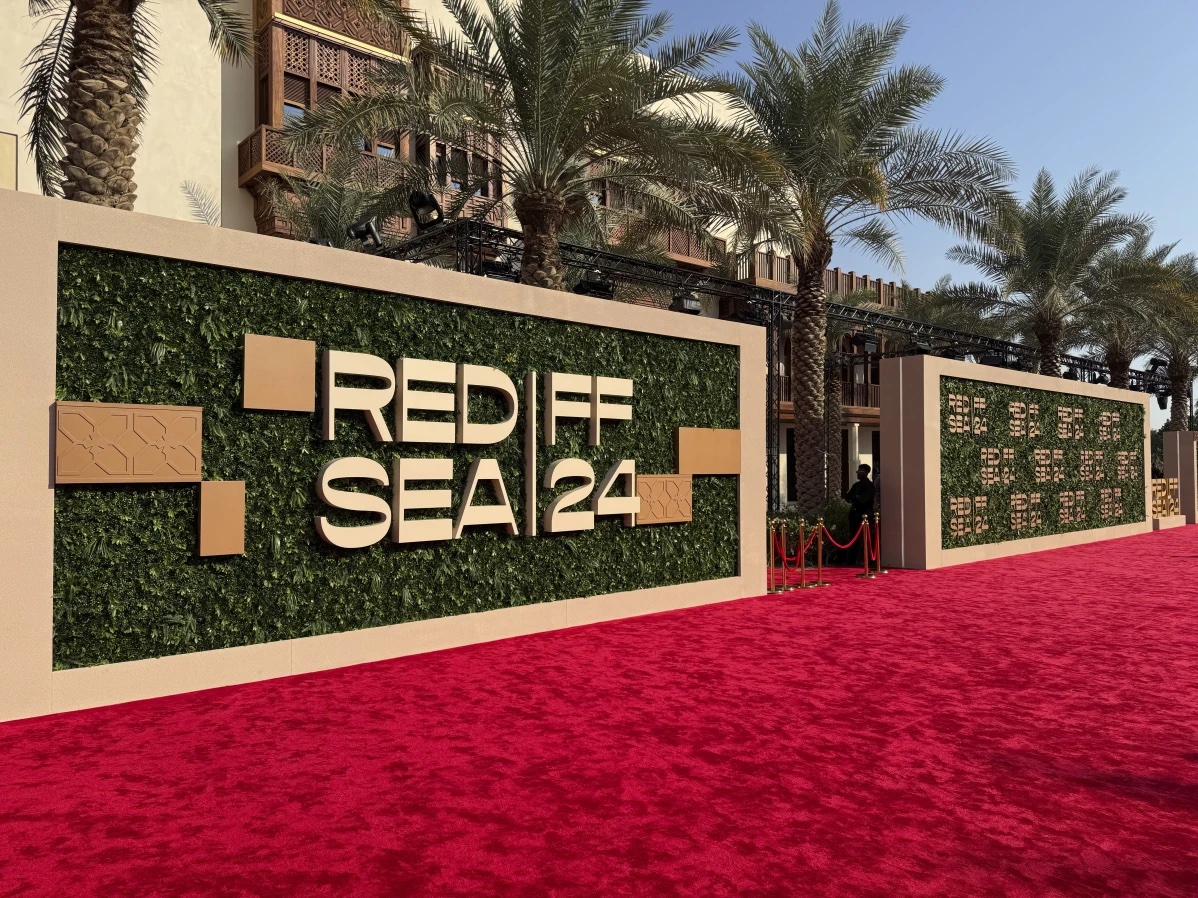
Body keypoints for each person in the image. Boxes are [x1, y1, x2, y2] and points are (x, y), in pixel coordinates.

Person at [843, 464, 876, 564]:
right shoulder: (856, 485)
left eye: (860, 471)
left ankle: (870, 560)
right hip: (854, 514)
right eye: (858, 470)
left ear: (866, 473)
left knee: (867, 537)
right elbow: (847, 497)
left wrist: (856, 498)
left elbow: (864, 500)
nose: (858, 472)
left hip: (865, 514)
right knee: (853, 537)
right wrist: (855, 497)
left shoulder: (870, 486)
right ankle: (851, 560)